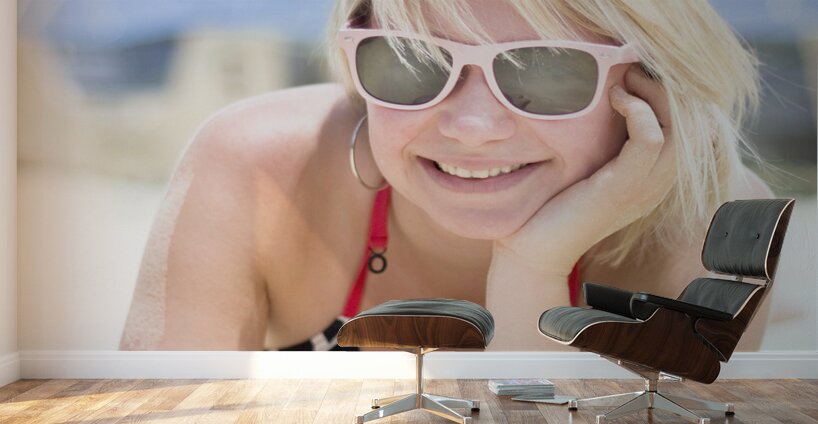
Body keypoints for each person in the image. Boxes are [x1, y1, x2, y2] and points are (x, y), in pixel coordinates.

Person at [120, 0, 774, 351]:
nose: (472, 126)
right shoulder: (257, 169)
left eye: (547, 68)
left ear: (652, 87)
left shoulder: (711, 228)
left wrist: (531, 268)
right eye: (410, 61)